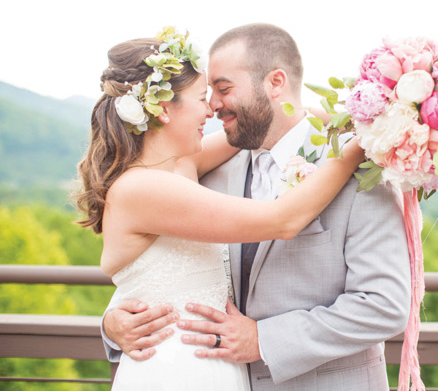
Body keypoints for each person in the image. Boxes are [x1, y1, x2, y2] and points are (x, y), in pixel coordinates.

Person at [102, 23, 412, 390]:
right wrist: (111, 323)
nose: (213, 106)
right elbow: (158, 273)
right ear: (163, 108)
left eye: (222, 89)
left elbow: (384, 306)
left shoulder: (364, 175)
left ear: (276, 83)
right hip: (187, 372)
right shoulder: (196, 177)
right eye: (205, 95)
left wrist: (367, 126)